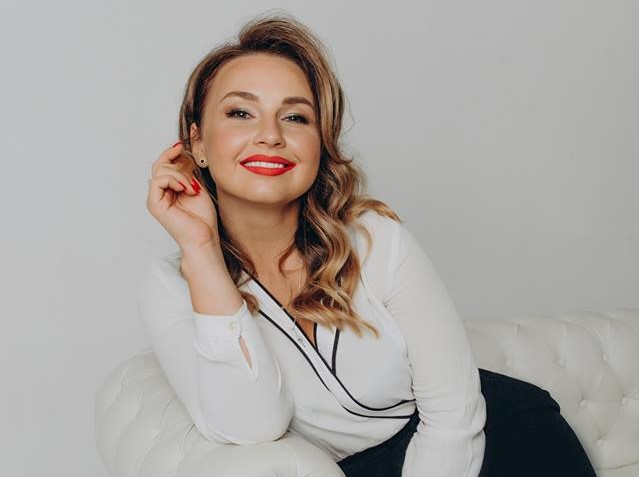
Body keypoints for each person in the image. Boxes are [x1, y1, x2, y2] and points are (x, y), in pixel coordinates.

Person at [139, 12, 486, 477]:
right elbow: (251, 425)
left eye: (295, 117)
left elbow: (454, 417)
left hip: (484, 450)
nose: (271, 135)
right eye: (240, 113)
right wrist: (201, 249)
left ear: (320, 142)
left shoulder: (375, 238)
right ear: (197, 142)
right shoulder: (171, 285)